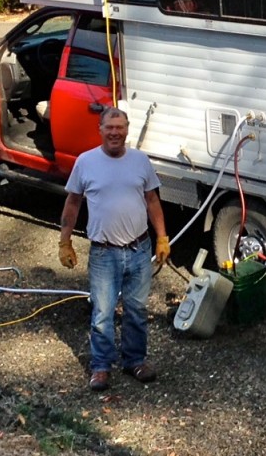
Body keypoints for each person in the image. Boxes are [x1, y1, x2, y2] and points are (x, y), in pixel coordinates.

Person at [57, 107, 170, 390]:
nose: (115, 132)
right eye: (110, 127)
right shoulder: (86, 162)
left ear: (127, 130)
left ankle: (135, 361)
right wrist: (64, 240)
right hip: (104, 252)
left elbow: (152, 200)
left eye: (120, 127)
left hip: (139, 249)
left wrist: (162, 237)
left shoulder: (140, 161)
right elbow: (73, 203)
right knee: (103, 312)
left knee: (136, 309)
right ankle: (101, 366)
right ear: (100, 129)